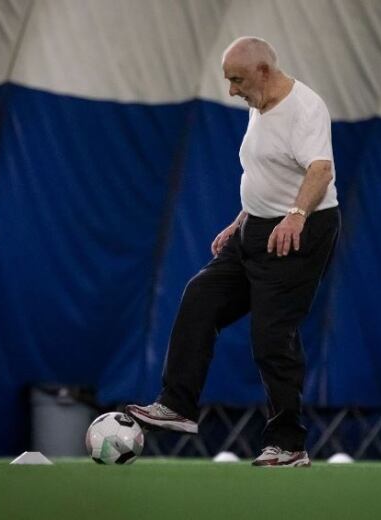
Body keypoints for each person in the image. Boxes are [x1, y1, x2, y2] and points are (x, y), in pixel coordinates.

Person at [126, 36, 340, 467]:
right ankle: (178, 406)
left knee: (271, 336)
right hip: (256, 230)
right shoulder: (258, 107)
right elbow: (267, 173)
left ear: (263, 70)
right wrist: (241, 220)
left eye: (237, 80)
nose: (232, 91)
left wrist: (296, 215)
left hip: (298, 233)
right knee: (200, 296)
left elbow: (321, 168)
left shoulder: (305, 107)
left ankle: (289, 444)